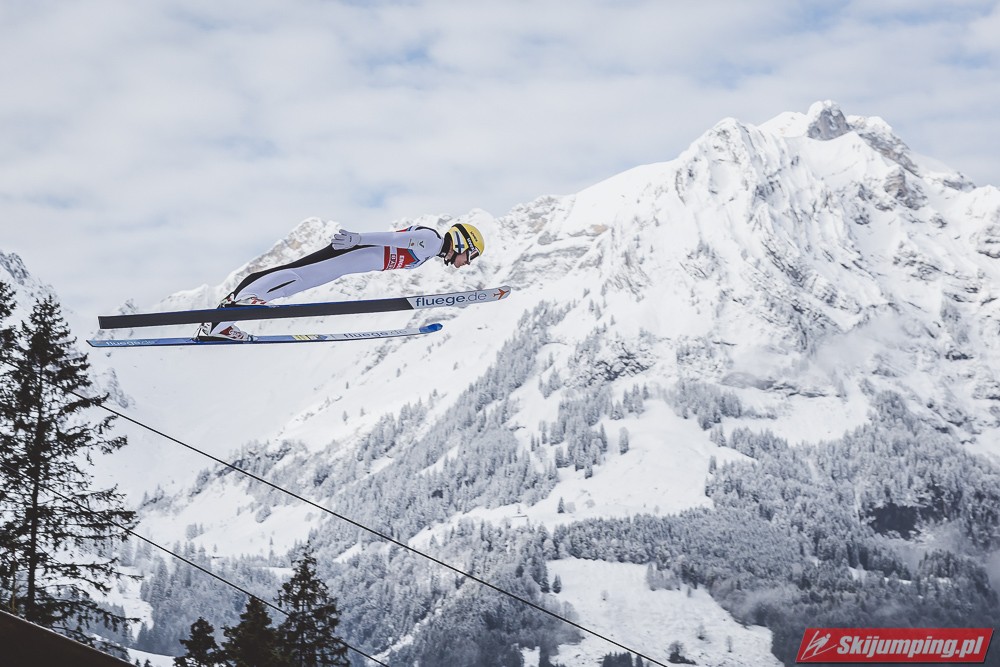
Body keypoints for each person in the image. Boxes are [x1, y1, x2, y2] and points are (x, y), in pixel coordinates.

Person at [196, 222, 485, 341]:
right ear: (463, 242)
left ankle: (218, 324)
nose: (467, 262)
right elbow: (392, 238)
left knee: (297, 278)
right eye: (470, 255)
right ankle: (235, 305)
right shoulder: (431, 240)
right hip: (350, 253)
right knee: (296, 275)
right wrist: (357, 239)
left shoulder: (431, 251)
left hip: (347, 263)